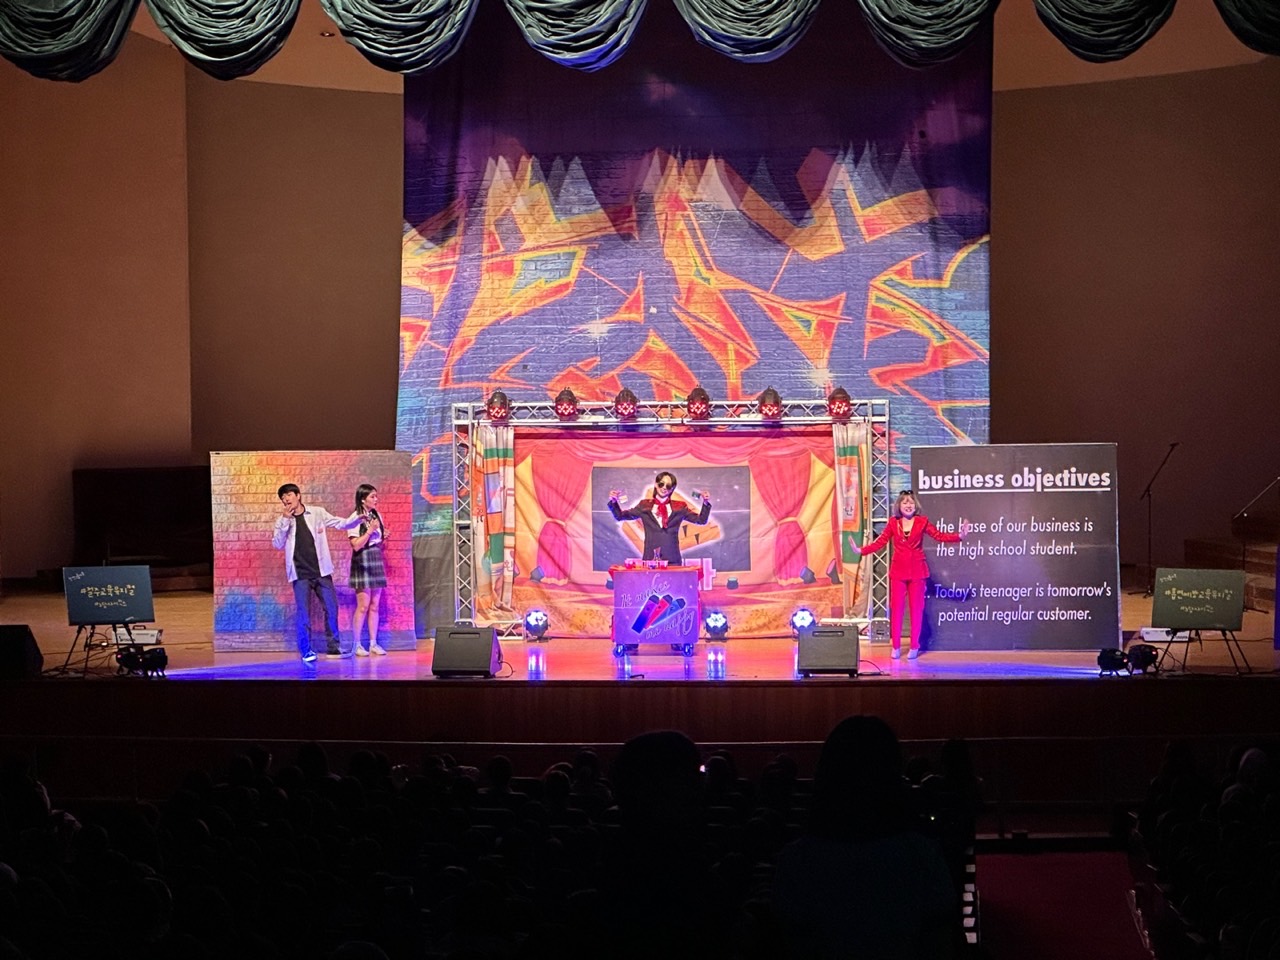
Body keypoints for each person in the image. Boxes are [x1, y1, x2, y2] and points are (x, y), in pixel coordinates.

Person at [770, 715, 959, 959]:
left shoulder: (796, 861)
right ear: (894, 775)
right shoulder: (922, 857)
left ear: (825, 773)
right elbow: (939, 945)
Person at [850, 490, 969, 660]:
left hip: (917, 572)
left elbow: (939, 536)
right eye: (905, 502)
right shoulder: (893, 523)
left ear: (915, 506)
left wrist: (959, 536)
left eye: (911, 502)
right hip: (898, 572)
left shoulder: (922, 522)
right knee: (897, 610)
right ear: (899, 505)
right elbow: (880, 542)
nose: (908, 505)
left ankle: (914, 646)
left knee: (916, 611)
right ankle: (896, 646)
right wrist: (860, 550)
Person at [271, 483, 362, 663]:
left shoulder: (317, 513)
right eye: (283, 498)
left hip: (322, 571)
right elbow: (277, 544)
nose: (286, 499)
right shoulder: (283, 521)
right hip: (300, 575)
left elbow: (340, 523)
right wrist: (285, 521)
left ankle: (333, 647)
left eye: (289, 495)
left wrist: (358, 518)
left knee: (331, 608)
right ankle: (306, 650)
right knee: (303, 613)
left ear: (298, 495)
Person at [607, 471, 711, 566]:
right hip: (650, 559)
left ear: (672, 488)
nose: (664, 488)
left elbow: (701, 520)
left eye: (668, 485)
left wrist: (705, 503)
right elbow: (620, 516)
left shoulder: (680, 507)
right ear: (656, 484)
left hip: (673, 559)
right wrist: (614, 502)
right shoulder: (644, 505)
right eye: (661, 484)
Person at [348, 483, 388, 656]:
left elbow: (377, 539)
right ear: (363, 499)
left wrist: (383, 536)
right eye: (372, 496)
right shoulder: (355, 518)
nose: (376, 499)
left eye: (376, 496)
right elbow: (356, 545)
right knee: (363, 605)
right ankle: (356, 645)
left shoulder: (376, 515)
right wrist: (370, 531)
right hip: (362, 559)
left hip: (375, 557)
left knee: (375, 605)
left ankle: (373, 643)